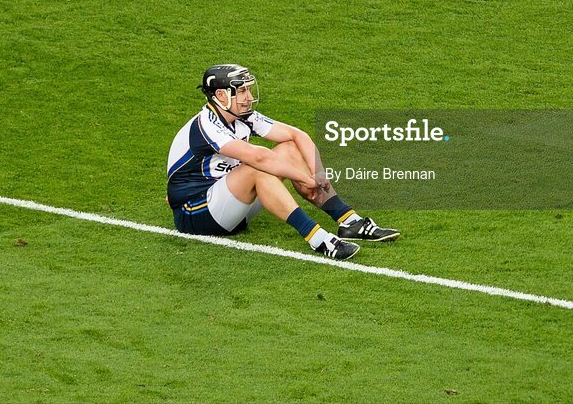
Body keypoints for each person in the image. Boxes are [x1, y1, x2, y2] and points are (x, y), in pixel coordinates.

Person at [166, 64, 400, 260]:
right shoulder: (207, 125)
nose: (249, 97)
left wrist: (319, 173)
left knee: (288, 149)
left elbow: (297, 136)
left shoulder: (243, 117)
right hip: (195, 213)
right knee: (257, 168)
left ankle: (348, 220)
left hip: (230, 204)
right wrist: (305, 178)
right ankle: (318, 239)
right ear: (221, 95)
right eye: (242, 91)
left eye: (249, 89)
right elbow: (259, 158)